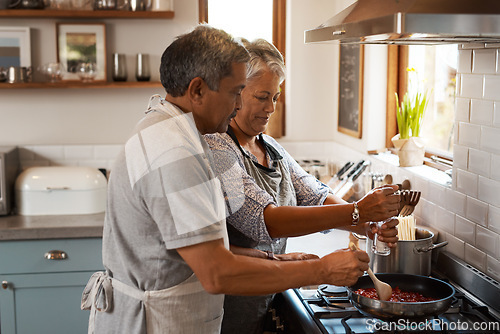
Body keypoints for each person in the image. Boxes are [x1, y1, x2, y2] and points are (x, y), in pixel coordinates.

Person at [80, 25, 381, 334]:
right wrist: (321, 269)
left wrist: (274, 259)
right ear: (198, 90)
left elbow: (188, 248)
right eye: (236, 92)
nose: (238, 105)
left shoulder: (172, 131)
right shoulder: (176, 153)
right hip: (156, 323)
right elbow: (217, 272)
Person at [204, 38, 400, 333]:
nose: (271, 108)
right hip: (227, 308)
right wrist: (357, 212)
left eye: (276, 97)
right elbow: (263, 220)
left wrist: (365, 223)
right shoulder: (217, 148)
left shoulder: (269, 147)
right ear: (237, 94)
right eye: (262, 97)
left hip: (268, 294)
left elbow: (314, 193)